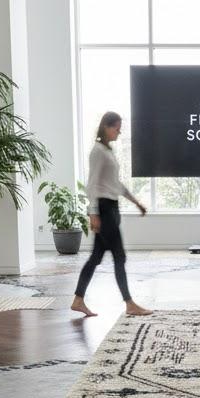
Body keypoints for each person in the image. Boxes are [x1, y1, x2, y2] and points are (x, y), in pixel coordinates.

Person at [72, 111, 152, 317]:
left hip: (112, 208)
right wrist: (93, 213)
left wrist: (136, 202)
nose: (119, 131)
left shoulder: (108, 151)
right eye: (116, 128)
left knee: (95, 257)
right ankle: (129, 304)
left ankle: (78, 300)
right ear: (106, 127)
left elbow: (115, 184)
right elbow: (92, 185)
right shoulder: (98, 151)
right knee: (119, 256)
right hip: (104, 210)